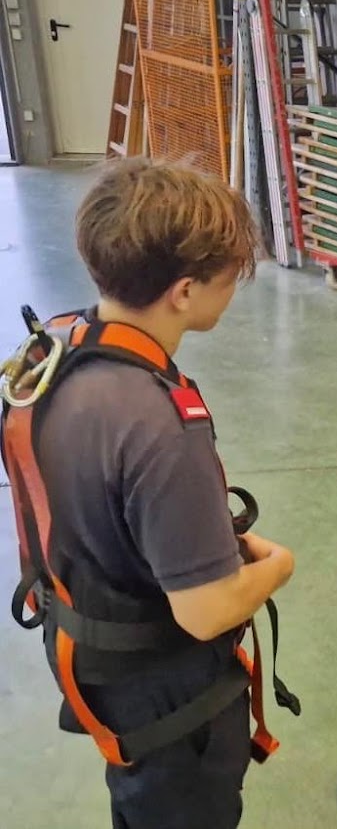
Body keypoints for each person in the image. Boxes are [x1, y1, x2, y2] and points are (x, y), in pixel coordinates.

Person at [1, 159, 295, 828]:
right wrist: (278, 567)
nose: (234, 290)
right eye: (229, 279)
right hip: (163, 693)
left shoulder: (57, 350)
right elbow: (205, 612)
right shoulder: (160, 426)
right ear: (184, 292)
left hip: (91, 636)